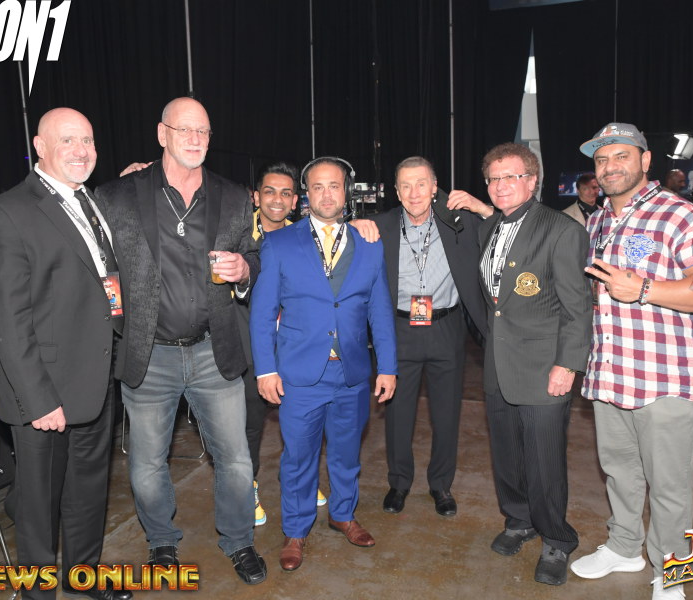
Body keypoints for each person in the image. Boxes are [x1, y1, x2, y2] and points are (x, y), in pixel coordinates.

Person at [95, 97, 267, 585]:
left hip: (215, 351)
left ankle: (239, 541)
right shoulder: (117, 195)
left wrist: (244, 269)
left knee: (236, 459)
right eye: (184, 129)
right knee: (148, 463)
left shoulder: (234, 197)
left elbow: (254, 255)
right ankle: (162, 542)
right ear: (161, 134)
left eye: (203, 131)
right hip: (149, 356)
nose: (194, 139)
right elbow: (99, 267)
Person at [570, 123, 693, 600]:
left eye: (621, 156)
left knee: (669, 486)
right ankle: (625, 546)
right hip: (610, 375)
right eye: (602, 159)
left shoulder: (682, 216)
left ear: (645, 161)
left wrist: (644, 289)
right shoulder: (599, 221)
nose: (610, 167)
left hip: (665, 380)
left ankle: (672, 569)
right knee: (619, 472)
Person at [0, 108, 131, 600]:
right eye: (68, 140)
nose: (81, 150)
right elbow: (7, 321)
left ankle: (83, 578)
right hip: (43, 392)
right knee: (39, 509)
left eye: (88, 140)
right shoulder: (6, 214)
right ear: (40, 147)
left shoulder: (91, 202)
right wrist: (39, 400)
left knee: (88, 494)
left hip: (95, 380)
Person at [250, 157, 397, 572]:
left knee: (347, 453)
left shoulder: (369, 243)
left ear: (345, 192)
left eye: (334, 186)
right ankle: (296, 530)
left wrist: (388, 366)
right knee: (298, 457)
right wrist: (265, 369)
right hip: (299, 375)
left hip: (351, 373)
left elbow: (380, 310)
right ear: (306, 195)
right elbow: (263, 312)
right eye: (318, 187)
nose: (327, 194)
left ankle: (343, 514)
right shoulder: (280, 244)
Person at [471, 142, 592, 586]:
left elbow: (577, 308)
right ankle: (518, 519)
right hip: (498, 363)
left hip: (545, 367)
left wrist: (567, 365)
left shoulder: (561, 230)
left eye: (511, 176)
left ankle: (557, 538)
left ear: (532, 180)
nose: (501, 185)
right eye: (494, 178)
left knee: (544, 461)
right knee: (506, 454)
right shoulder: (489, 228)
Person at [372, 156, 493, 517]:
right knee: (397, 412)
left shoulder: (460, 221)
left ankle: (441, 484)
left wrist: (482, 207)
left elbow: (505, 228)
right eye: (406, 186)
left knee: (446, 412)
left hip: (446, 327)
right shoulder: (379, 226)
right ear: (396, 191)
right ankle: (399, 482)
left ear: (435, 187)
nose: (414, 193)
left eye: (421, 184)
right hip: (398, 329)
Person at [237, 161, 327, 527]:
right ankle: (247, 488)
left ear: (295, 201)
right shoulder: (235, 233)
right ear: (256, 197)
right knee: (250, 424)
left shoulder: (306, 237)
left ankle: (301, 479)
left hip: (294, 347)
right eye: (269, 191)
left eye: (286, 193)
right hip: (248, 346)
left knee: (301, 420)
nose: (277, 199)